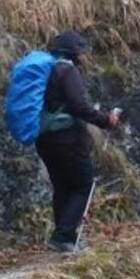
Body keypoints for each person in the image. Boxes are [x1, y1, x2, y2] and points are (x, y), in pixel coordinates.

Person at [35, 31, 121, 252]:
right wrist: (106, 120)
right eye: (81, 53)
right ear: (74, 53)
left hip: (44, 137)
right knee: (83, 184)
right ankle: (63, 236)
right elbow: (78, 106)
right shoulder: (67, 71)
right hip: (67, 137)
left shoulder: (46, 70)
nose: (83, 57)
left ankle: (64, 237)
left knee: (63, 186)